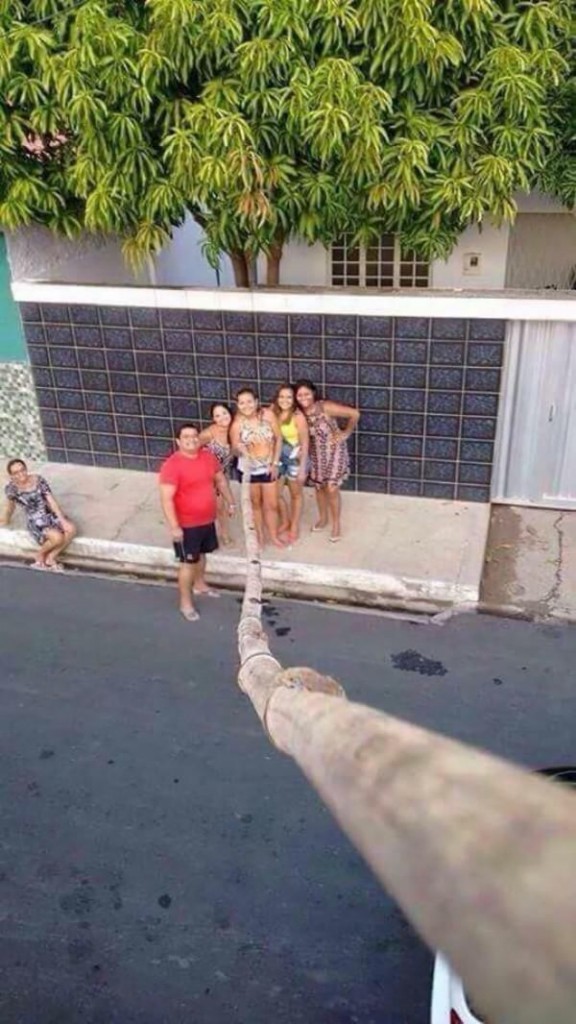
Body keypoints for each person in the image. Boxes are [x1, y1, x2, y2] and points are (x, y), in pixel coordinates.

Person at [159, 423, 236, 622]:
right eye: (186, 437)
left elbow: (220, 480)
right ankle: (185, 603)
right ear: (178, 441)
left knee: (202, 555)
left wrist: (230, 501)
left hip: (207, 520)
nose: (191, 440)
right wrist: (174, 527)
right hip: (186, 525)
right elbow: (166, 499)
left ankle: (200, 585)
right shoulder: (172, 465)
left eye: (194, 436)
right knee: (188, 563)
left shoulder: (208, 457)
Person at [295, 380, 360, 543]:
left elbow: (354, 414)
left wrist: (346, 432)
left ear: (313, 393)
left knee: (331, 487)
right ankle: (323, 518)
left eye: (306, 394)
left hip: (334, 451)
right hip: (315, 454)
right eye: (299, 395)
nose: (303, 398)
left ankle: (336, 524)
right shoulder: (298, 413)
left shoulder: (325, 407)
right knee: (319, 487)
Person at [229, 388, 285, 549]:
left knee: (271, 504)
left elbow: (279, 438)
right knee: (255, 504)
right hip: (248, 471)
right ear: (238, 405)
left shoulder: (268, 415)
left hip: (268, 468)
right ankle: (259, 537)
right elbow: (234, 450)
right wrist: (239, 449)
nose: (246, 405)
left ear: (256, 401)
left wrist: (275, 463)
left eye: (249, 401)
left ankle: (273, 535)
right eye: (242, 403)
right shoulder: (237, 424)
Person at [1, 459, 76, 571]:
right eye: (16, 473)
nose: (21, 474)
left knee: (71, 529)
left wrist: (62, 519)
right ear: (11, 476)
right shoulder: (11, 489)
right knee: (57, 538)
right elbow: (10, 507)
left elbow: (51, 500)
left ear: (26, 469)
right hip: (36, 522)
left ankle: (51, 557)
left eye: (22, 470)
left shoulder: (38, 480)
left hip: (49, 514)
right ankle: (39, 555)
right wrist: (5, 519)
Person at [270, 383, 309, 543]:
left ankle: (294, 525)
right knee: (275, 494)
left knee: (296, 494)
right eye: (281, 396)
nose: (284, 400)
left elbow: (305, 443)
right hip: (277, 458)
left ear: (294, 399)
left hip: (295, 458)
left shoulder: (298, 416)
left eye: (289, 397)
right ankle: (285, 520)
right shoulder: (273, 411)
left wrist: (302, 468)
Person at [199, 402, 234, 546]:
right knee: (208, 507)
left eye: (224, 413)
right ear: (213, 419)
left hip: (223, 473)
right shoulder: (208, 434)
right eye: (217, 416)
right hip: (206, 475)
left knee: (221, 507)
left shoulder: (234, 430)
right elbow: (190, 448)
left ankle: (224, 534)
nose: (222, 418)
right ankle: (204, 537)